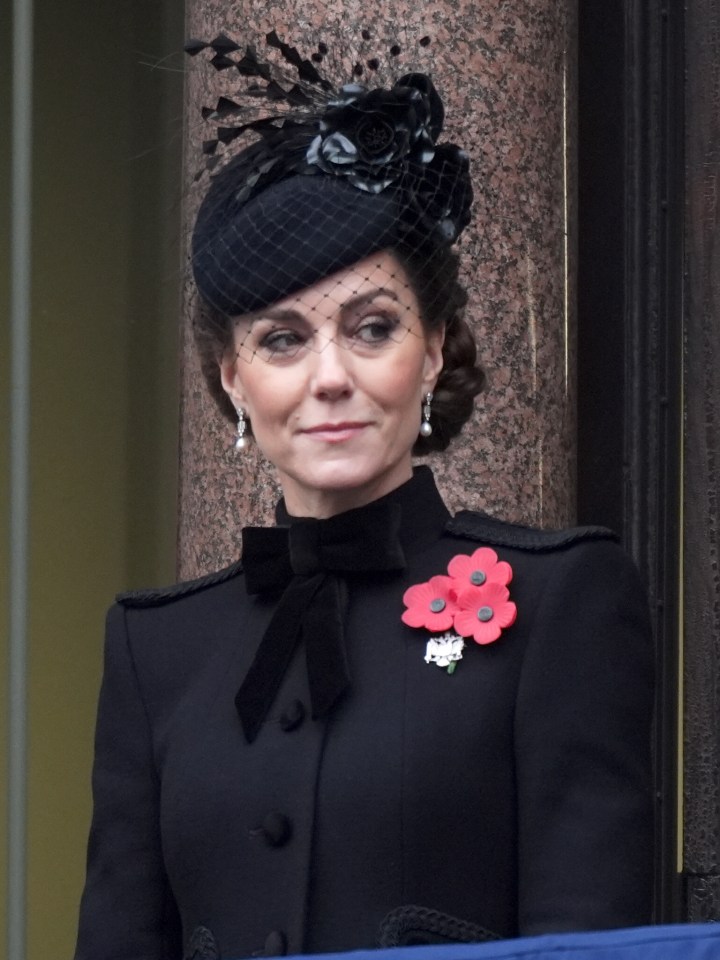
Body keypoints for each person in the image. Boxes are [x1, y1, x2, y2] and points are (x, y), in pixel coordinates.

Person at [75, 33, 654, 960]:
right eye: (282, 340)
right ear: (232, 377)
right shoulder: (157, 652)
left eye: (372, 327)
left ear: (430, 352)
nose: (330, 377)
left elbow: (591, 942)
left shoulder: (562, 602)